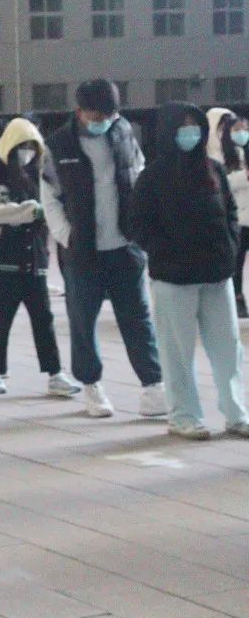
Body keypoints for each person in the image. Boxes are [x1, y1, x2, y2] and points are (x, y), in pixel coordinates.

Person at [41, 79, 166, 419]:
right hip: (83, 252)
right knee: (83, 321)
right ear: (80, 111)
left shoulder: (124, 132)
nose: (104, 122)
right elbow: (49, 197)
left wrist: (141, 228)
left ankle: (153, 385)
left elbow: (139, 175)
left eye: (110, 115)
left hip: (125, 246)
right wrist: (67, 236)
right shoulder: (58, 145)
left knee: (138, 318)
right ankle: (92, 385)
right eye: (97, 116)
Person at [128, 102, 249, 440]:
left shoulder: (213, 170)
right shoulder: (152, 177)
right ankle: (183, 415)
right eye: (182, 127)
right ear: (168, 132)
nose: (189, 133)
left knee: (228, 349)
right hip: (174, 279)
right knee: (177, 352)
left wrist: (229, 248)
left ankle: (236, 413)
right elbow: (137, 224)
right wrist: (165, 252)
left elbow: (230, 213)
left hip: (216, 275)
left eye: (194, 126)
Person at [0, 118, 79, 397]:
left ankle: (55, 373)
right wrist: (27, 211)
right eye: (22, 146)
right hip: (2, 262)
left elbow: (53, 207)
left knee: (43, 319)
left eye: (32, 147)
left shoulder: (40, 175)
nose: (27, 152)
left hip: (34, 260)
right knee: (1, 320)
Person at [215, 110, 249, 317]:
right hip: (238, 219)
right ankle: (237, 298)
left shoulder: (246, 152)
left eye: (245, 129)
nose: (242, 133)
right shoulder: (222, 156)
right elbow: (223, 185)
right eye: (237, 129)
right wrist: (244, 177)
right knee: (237, 261)